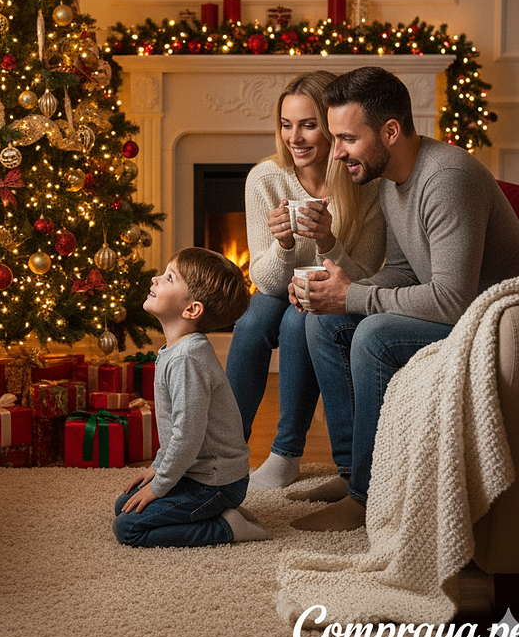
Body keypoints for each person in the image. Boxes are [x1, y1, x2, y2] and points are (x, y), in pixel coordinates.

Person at [285, 65, 519, 532]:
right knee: (322, 321)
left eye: (348, 138)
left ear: (390, 131)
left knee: (372, 334)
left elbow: (453, 299)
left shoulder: (445, 178)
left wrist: (354, 298)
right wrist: (336, 289)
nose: (336, 155)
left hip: (492, 321)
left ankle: (366, 498)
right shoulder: (393, 181)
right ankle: (353, 470)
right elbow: (400, 272)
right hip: (457, 309)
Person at [224, 71, 385, 491]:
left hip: (334, 290)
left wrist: (328, 241)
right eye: (286, 124)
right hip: (280, 288)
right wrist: (282, 245)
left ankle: (286, 455)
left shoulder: (363, 184)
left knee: (300, 322)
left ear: (332, 129)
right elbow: (265, 280)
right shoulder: (265, 179)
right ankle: (224, 454)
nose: (295, 137)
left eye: (309, 125)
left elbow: (362, 276)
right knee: (252, 322)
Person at [112, 247, 269, 547]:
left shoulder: (188, 359)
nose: (156, 279)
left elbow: (186, 436)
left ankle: (226, 526)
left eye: (169, 278)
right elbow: (175, 432)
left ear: (192, 310)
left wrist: (159, 486)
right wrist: (157, 469)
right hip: (195, 472)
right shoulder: (175, 351)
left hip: (217, 482)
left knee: (129, 528)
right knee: (125, 504)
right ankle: (214, 512)